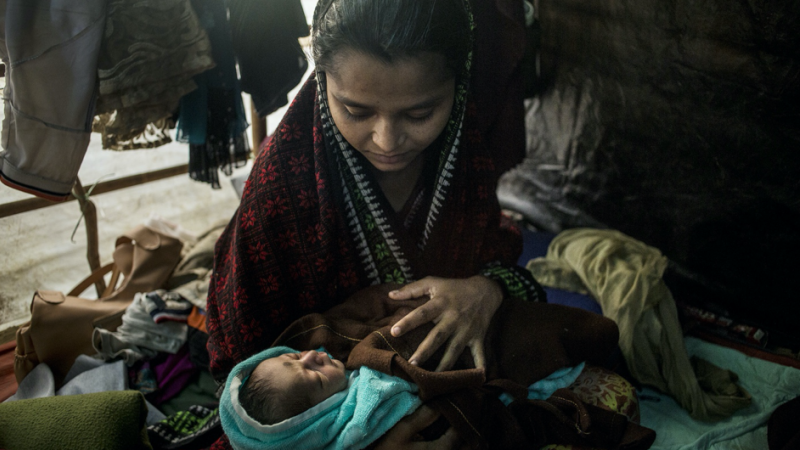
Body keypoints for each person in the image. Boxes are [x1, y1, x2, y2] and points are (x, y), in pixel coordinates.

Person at [207, 0, 546, 447]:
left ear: (457, 87)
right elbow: (246, 386)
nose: (387, 141)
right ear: (323, 81)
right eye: (357, 111)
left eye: (420, 114)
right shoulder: (280, 189)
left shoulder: (462, 158)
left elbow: (507, 266)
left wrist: (485, 290)